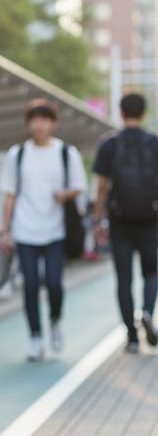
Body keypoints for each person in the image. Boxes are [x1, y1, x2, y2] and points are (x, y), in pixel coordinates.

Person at [0, 99, 88, 362]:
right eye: (34, 120)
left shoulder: (66, 152)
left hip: (56, 230)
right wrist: (5, 231)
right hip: (25, 229)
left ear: (54, 123)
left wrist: (64, 194)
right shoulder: (17, 154)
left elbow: (79, 185)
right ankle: (36, 338)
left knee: (54, 283)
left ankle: (55, 320)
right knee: (29, 286)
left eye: (44, 119)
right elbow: (9, 195)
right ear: (28, 124)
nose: (39, 125)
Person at [92, 92, 158, 353]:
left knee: (123, 280)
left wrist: (98, 218)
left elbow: (102, 186)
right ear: (143, 113)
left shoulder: (110, 144)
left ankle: (131, 336)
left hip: (119, 221)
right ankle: (147, 312)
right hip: (150, 220)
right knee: (152, 272)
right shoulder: (154, 142)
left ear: (121, 113)